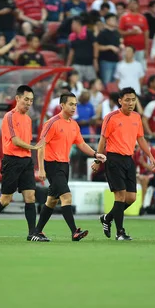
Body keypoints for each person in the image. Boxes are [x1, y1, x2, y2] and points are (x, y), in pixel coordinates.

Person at [34, 93, 107, 241]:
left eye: (75, 104)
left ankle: (37, 231)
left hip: (64, 165)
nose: (74, 107)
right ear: (62, 105)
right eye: (71, 104)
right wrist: (41, 168)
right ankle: (74, 231)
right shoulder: (52, 123)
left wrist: (95, 154)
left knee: (52, 201)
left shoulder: (74, 125)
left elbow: (80, 143)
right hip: (52, 165)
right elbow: (41, 146)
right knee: (66, 197)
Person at [0, 85, 44, 241]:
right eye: (26, 99)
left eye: (31, 100)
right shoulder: (9, 116)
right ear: (17, 98)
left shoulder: (28, 119)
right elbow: (15, 141)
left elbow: (26, 141)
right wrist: (34, 147)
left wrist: (31, 153)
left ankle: (32, 233)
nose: (29, 103)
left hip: (26, 161)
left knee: (30, 197)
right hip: (12, 161)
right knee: (6, 199)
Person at [93, 87, 155, 240]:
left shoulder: (136, 117)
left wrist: (149, 155)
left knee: (132, 198)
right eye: (127, 100)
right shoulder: (111, 117)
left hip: (129, 159)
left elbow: (140, 138)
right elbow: (103, 140)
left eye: (133, 99)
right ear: (120, 101)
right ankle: (120, 232)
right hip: (114, 159)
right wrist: (97, 160)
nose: (130, 103)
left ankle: (107, 218)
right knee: (120, 196)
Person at [95, 13, 121, 84]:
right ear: (107, 21)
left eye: (115, 20)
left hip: (115, 60)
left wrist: (121, 47)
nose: (115, 21)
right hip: (105, 60)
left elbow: (119, 44)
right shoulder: (103, 33)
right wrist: (110, 47)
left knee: (114, 82)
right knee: (106, 82)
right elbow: (97, 47)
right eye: (113, 20)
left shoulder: (117, 33)